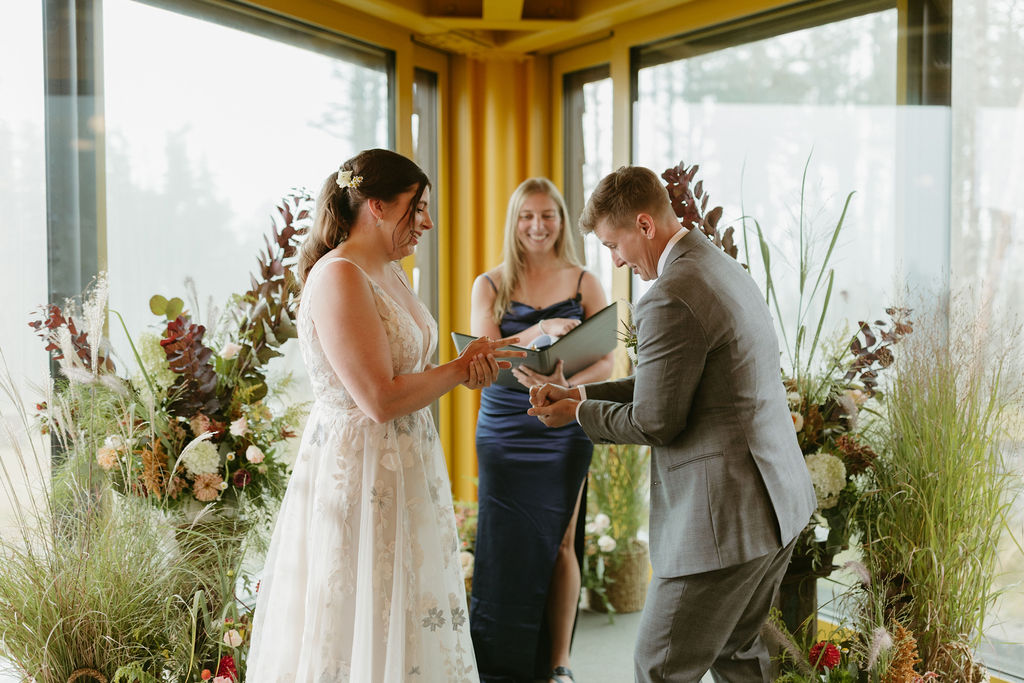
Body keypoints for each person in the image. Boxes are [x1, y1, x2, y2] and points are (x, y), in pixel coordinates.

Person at [528, 166, 817, 683]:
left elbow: (656, 420)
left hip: (724, 522)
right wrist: (581, 393)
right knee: (739, 651)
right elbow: (664, 382)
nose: (614, 261)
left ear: (644, 224)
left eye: (615, 245)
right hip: (776, 504)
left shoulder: (668, 295)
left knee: (659, 667)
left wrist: (576, 413)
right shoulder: (719, 266)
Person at [247, 149, 524, 683]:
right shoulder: (340, 276)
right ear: (375, 205)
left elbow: (412, 373)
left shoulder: (392, 271)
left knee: (405, 605)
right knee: (361, 608)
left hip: (406, 462)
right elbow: (378, 398)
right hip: (362, 469)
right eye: (415, 207)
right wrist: (460, 370)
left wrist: (472, 364)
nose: (427, 221)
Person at [469, 178, 613, 683]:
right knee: (502, 539)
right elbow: (480, 355)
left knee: (562, 539)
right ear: (514, 221)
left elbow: (609, 362)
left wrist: (568, 387)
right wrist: (540, 332)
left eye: (548, 215)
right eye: (527, 215)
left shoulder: (584, 282)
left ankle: (560, 663)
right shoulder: (489, 284)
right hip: (505, 425)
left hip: (565, 422)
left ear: (561, 220)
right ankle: (496, 661)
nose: (538, 226)